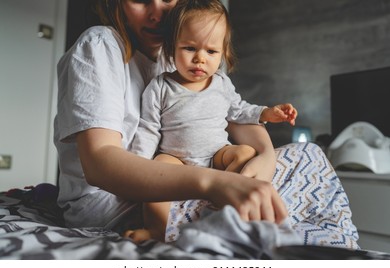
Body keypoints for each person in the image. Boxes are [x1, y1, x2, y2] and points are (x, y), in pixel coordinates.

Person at [54, 0, 359, 250]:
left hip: (194, 174)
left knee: (307, 158)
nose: (157, 13)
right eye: (140, 0)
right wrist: (217, 183)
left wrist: (264, 155)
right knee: (308, 165)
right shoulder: (101, 46)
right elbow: (100, 162)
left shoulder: (175, 57)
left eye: (167, 0)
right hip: (118, 206)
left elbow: (234, 113)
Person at [127, 0, 297, 242]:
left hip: (217, 155)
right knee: (158, 171)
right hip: (177, 159)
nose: (200, 59)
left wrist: (267, 113)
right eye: (189, 48)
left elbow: (239, 110)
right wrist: (138, 166)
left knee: (245, 153)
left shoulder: (221, 84)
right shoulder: (161, 86)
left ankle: (229, 213)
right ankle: (156, 229)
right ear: (171, 48)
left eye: (211, 51)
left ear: (223, 53)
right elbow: (149, 129)